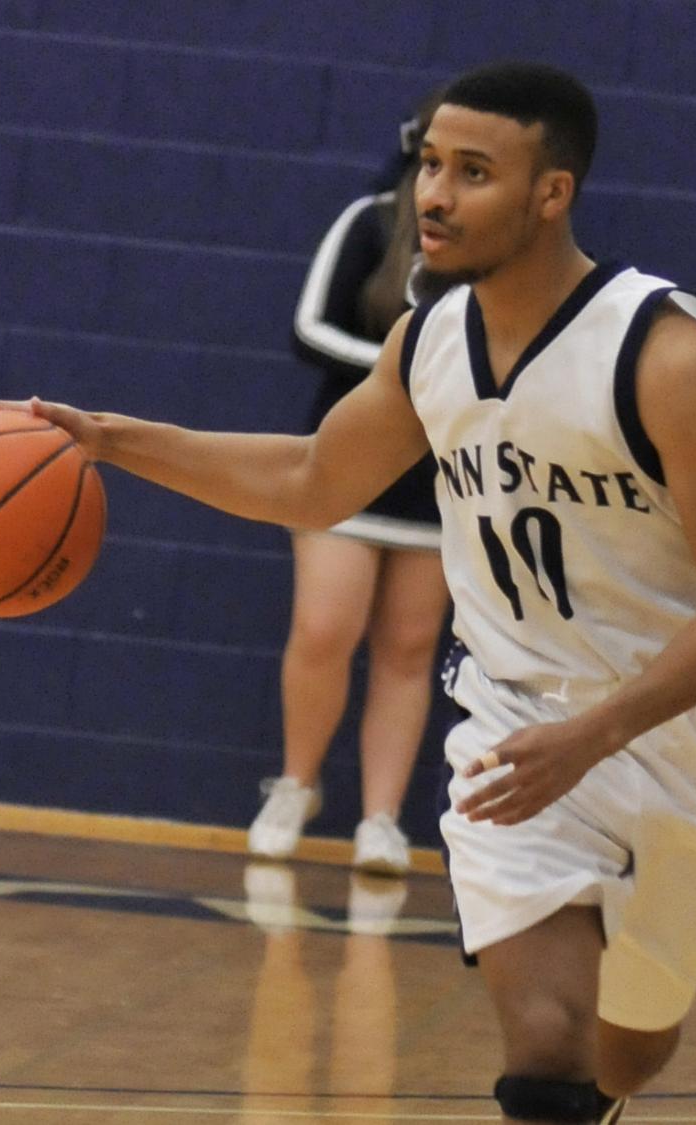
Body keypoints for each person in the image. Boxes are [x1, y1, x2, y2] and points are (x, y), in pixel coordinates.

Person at [0, 61, 696, 1124]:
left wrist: (594, 736)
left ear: (554, 193)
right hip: (513, 719)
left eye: (475, 172)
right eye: (430, 166)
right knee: (548, 1051)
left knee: (632, 1052)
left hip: (686, 731)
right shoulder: (429, 341)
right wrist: (114, 442)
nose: (434, 196)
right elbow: (313, 479)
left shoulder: (665, 355)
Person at [248, 98, 450, 876]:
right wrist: (402, 374)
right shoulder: (369, 222)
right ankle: (295, 785)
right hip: (347, 468)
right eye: (439, 159)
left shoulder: (500, 250)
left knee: (408, 646)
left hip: (436, 481)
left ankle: (381, 819)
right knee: (325, 629)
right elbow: (308, 328)